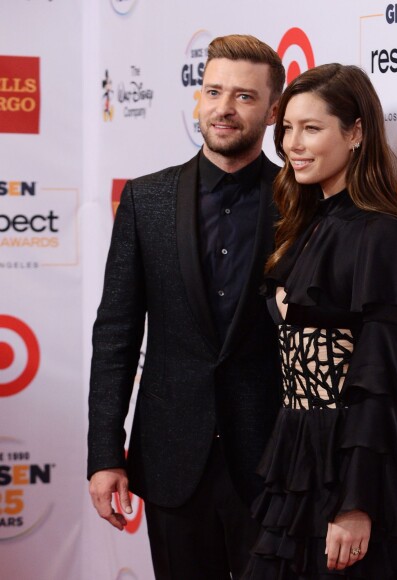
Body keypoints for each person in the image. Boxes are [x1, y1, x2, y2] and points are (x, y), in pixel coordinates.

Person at [87, 35, 285, 580]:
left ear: (272, 111)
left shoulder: (300, 201)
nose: (223, 108)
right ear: (198, 97)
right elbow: (116, 336)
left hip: (273, 463)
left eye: (244, 97)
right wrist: (105, 452)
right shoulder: (144, 199)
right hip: (173, 460)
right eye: (213, 91)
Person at [242, 63, 397, 579]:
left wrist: (356, 504)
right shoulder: (307, 222)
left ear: (355, 133)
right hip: (297, 449)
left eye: (312, 128)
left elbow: (377, 382)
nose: (292, 144)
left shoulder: (383, 233)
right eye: (287, 128)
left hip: (351, 457)